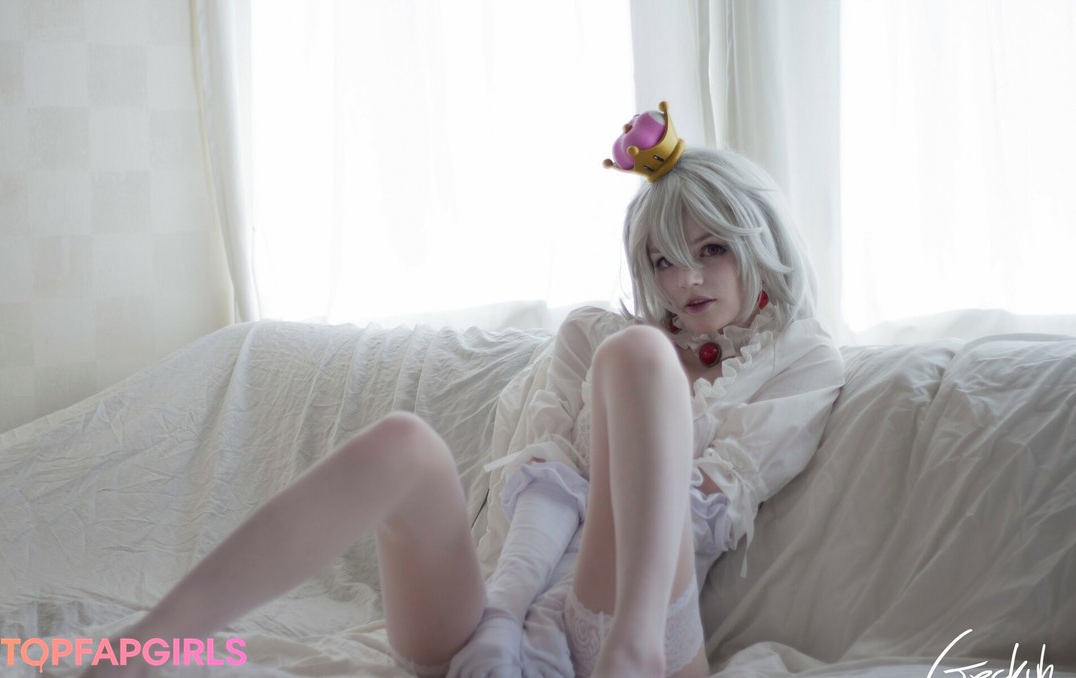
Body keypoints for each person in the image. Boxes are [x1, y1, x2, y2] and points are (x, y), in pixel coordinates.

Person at [82, 102, 844, 678]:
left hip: (636, 624)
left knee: (638, 357)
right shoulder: (595, 337)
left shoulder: (800, 357)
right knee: (405, 443)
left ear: (760, 241)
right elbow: (543, 488)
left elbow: (702, 509)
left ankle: (632, 652)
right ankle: (141, 649)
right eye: (665, 261)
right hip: (507, 611)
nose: (686, 280)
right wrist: (501, 619)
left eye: (712, 250)